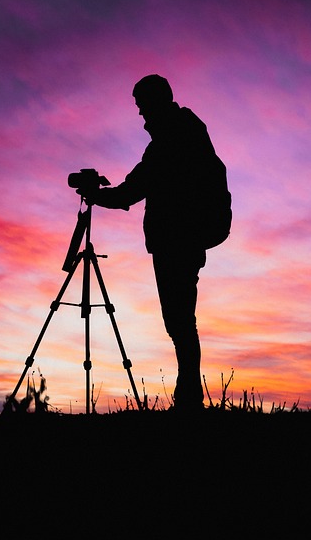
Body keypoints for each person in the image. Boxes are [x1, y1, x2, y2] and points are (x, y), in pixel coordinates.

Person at [91, 74, 229, 411]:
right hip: (182, 237)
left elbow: (135, 188)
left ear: (157, 101)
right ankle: (189, 399)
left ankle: (188, 402)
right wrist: (108, 195)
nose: (140, 114)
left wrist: (98, 197)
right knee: (181, 321)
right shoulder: (184, 132)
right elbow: (140, 183)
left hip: (177, 238)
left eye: (142, 105)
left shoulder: (172, 138)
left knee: (180, 321)